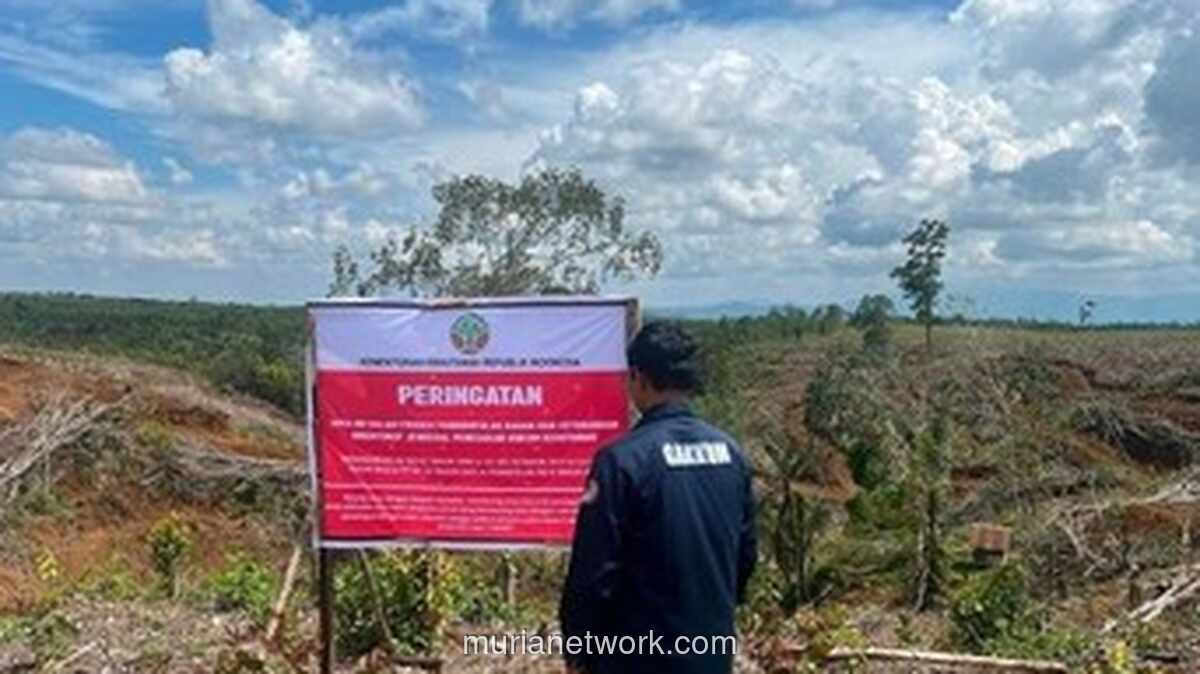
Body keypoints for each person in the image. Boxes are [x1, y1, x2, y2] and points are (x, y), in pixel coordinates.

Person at [559, 321, 757, 674]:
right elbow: (744, 558)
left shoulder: (621, 461)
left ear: (638, 377)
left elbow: (592, 574)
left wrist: (580, 652)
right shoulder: (732, 454)